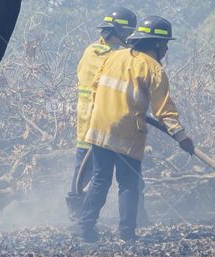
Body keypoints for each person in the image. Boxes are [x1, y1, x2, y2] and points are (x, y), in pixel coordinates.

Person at [77, 16, 194, 241]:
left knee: (100, 179)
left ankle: (86, 230)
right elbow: (164, 110)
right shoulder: (153, 68)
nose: (167, 49)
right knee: (128, 183)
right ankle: (127, 235)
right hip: (127, 133)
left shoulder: (114, 57)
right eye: (165, 44)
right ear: (156, 44)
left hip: (100, 127)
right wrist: (182, 137)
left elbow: (95, 87)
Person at [66, 7, 137, 220]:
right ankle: (80, 217)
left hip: (93, 121)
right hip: (102, 122)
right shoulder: (110, 55)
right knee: (96, 173)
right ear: (119, 32)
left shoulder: (94, 50)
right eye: (128, 32)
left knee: (88, 169)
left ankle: (79, 215)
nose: (129, 37)